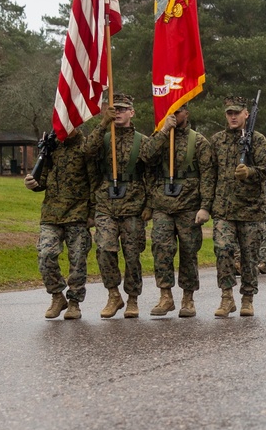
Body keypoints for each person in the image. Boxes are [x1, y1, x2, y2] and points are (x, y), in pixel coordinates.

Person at [142, 105, 215, 318]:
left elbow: (208, 176)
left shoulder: (199, 141)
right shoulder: (158, 137)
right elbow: (146, 158)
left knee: (188, 252)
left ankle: (188, 298)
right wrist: (164, 131)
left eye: (179, 111)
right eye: (170, 110)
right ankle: (165, 296)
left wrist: (205, 206)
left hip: (189, 206)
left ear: (187, 114)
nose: (174, 114)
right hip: (162, 205)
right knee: (161, 249)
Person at [83, 93, 149, 319]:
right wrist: (102, 124)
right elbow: (87, 152)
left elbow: (150, 174)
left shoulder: (142, 141)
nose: (119, 113)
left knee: (132, 255)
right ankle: (113, 295)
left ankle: (132, 298)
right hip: (106, 204)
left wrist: (148, 205)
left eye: (123, 109)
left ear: (132, 112)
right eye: (115, 109)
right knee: (104, 251)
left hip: (133, 205)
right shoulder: (102, 137)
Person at [210, 95, 266, 317]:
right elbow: (210, 175)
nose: (233, 116)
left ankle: (247, 298)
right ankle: (226, 297)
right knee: (223, 250)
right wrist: (206, 205)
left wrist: (250, 172)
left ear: (246, 114)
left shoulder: (257, 140)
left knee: (249, 257)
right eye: (229, 113)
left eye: (237, 112)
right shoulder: (217, 141)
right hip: (224, 209)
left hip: (251, 210)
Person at [24, 129, 94, 320]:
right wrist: (33, 183)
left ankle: (74, 303)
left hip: (78, 213)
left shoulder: (86, 147)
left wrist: (92, 213)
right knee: (45, 255)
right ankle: (57, 296)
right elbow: (43, 179)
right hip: (51, 214)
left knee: (78, 260)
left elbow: (95, 183)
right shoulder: (52, 147)